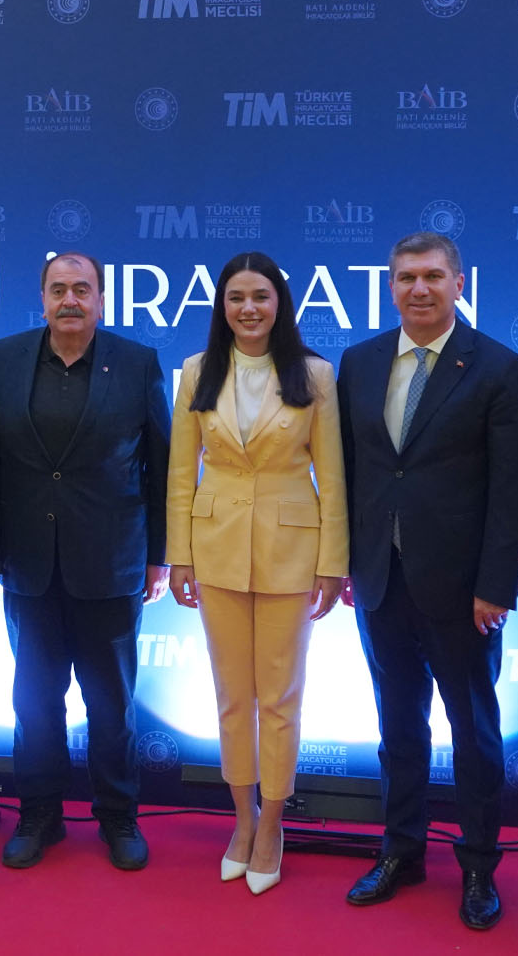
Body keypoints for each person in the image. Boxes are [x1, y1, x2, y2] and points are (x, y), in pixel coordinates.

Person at [338, 230, 518, 929]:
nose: (418, 289)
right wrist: (346, 564)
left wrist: (496, 585)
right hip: (380, 579)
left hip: (463, 589)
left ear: (458, 283)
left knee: (472, 730)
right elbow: (351, 473)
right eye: (405, 277)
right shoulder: (358, 362)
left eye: (431, 276)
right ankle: (402, 851)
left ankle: (479, 865)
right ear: (390, 286)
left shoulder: (498, 367)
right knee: (397, 725)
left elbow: (513, 489)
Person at [165, 251, 347, 896]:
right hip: (214, 548)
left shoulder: (314, 374)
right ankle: (241, 821)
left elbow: (333, 476)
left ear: (279, 305)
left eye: (260, 297)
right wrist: (179, 555)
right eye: (236, 297)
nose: (248, 309)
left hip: (291, 553)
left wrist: (333, 563)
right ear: (222, 306)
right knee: (231, 696)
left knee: (279, 698)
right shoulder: (196, 371)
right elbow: (181, 471)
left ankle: (273, 824)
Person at [0, 251, 170, 871]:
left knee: (111, 706)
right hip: (29, 564)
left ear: (100, 300)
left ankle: (118, 816)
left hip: (111, 563)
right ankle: (40, 815)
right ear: (41, 299)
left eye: (82, 289)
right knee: (35, 702)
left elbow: (162, 465)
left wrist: (160, 556)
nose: (70, 299)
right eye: (58, 289)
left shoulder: (138, 362)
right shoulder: (4, 358)